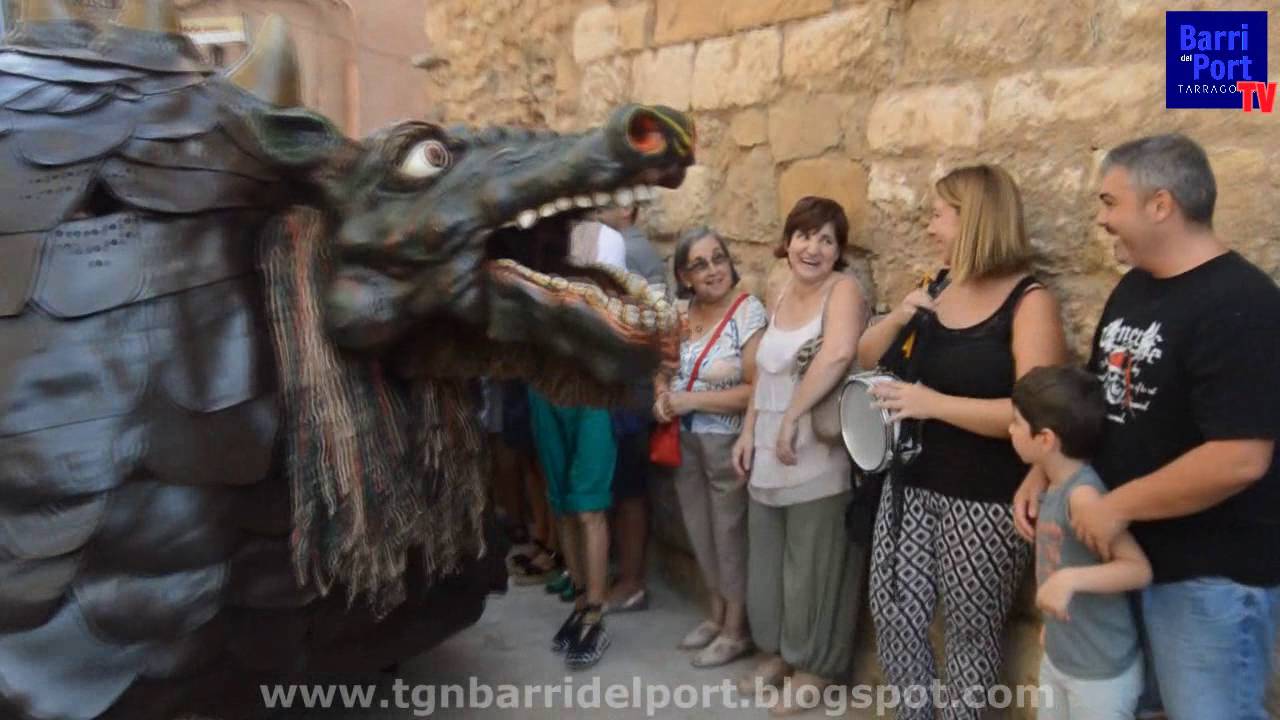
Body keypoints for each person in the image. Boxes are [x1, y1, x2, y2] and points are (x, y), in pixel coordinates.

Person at [1013, 134, 1280, 720]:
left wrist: (1118, 506)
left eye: (1110, 202)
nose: (1101, 220)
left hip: (1208, 578)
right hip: (1129, 565)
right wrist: (1043, 470)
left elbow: (1241, 456)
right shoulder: (1135, 288)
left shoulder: (1245, 304)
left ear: (1161, 205)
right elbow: (1093, 400)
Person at [855, 165, 1068, 719]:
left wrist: (933, 404)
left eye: (939, 215)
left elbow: (1037, 415)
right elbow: (866, 354)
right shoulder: (938, 285)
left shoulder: (1029, 300)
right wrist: (902, 312)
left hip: (985, 496)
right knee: (893, 610)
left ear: (972, 220)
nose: (930, 228)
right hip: (911, 484)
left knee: (972, 635)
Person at [732, 196, 866, 715]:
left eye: (827, 239)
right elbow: (766, 372)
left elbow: (835, 354)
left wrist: (790, 417)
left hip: (815, 454)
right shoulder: (780, 289)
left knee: (814, 566)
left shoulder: (845, 291)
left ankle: (816, 666)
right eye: (805, 235)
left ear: (839, 251)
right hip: (768, 451)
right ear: (787, 241)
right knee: (769, 562)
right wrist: (749, 431)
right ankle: (780, 654)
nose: (813, 247)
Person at [1009, 366, 1151, 719]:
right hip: (1061, 656)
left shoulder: (1082, 496)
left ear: (1045, 440)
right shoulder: (1053, 485)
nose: (1009, 430)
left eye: (1015, 423)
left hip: (1099, 676)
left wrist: (1068, 580)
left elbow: (1138, 569)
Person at [658, 226, 766, 667]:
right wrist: (660, 393)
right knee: (699, 529)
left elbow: (755, 389)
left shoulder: (747, 312)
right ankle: (717, 614)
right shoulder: (681, 315)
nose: (713, 270)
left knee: (729, 535)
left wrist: (690, 399)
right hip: (684, 437)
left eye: (718, 258)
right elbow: (663, 366)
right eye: (700, 264)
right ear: (684, 276)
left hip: (725, 439)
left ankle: (737, 630)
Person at [534, 219, 628, 670]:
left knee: (588, 502)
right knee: (562, 502)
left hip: (591, 386)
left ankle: (595, 609)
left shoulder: (605, 238)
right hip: (543, 384)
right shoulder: (526, 241)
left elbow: (610, 312)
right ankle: (578, 602)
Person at [594, 204, 666, 615]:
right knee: (621, 487)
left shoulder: (633, 249)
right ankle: (623, 574)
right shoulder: (617, 245)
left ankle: (632, 580)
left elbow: (652, 317)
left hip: (631, 388)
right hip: (622, 386)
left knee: (629, 489)